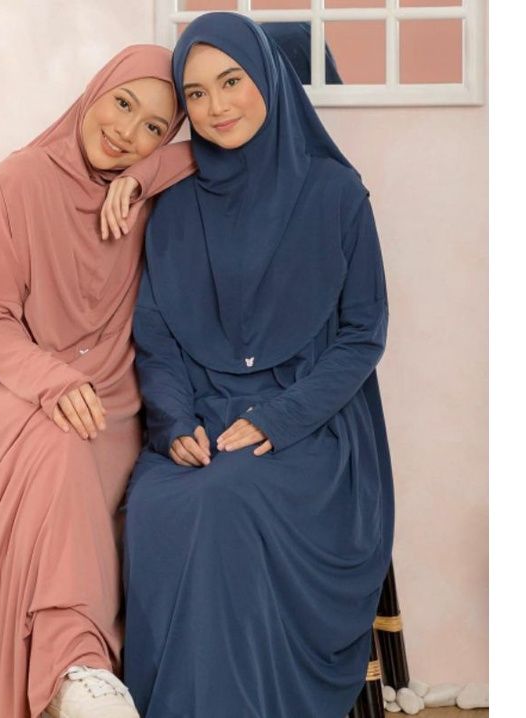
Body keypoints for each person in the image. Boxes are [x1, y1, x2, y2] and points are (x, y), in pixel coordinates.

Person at [0, 45, 194, 718]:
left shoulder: (146, 194)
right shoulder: (17, 181)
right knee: (55, 442)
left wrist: (143, 177)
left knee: (76, 453)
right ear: (95, 92)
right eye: (122, 104)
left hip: (112, 406)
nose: (127, 132)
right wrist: (53, 382)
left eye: (154, 127)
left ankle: (69, 680)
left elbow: (230, 149)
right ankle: (78, 667)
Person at [122, 13, 395, 717]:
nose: (216, 106)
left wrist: (280, 417)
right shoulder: (175, 205)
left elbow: (363, 333)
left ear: (268, 78)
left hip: (313, 425)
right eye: (196, 94)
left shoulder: (336, 194)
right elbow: (156, 335)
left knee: (227, 496)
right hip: (200, 416)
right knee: (155, 503)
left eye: (231, 81)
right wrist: (172, 421)